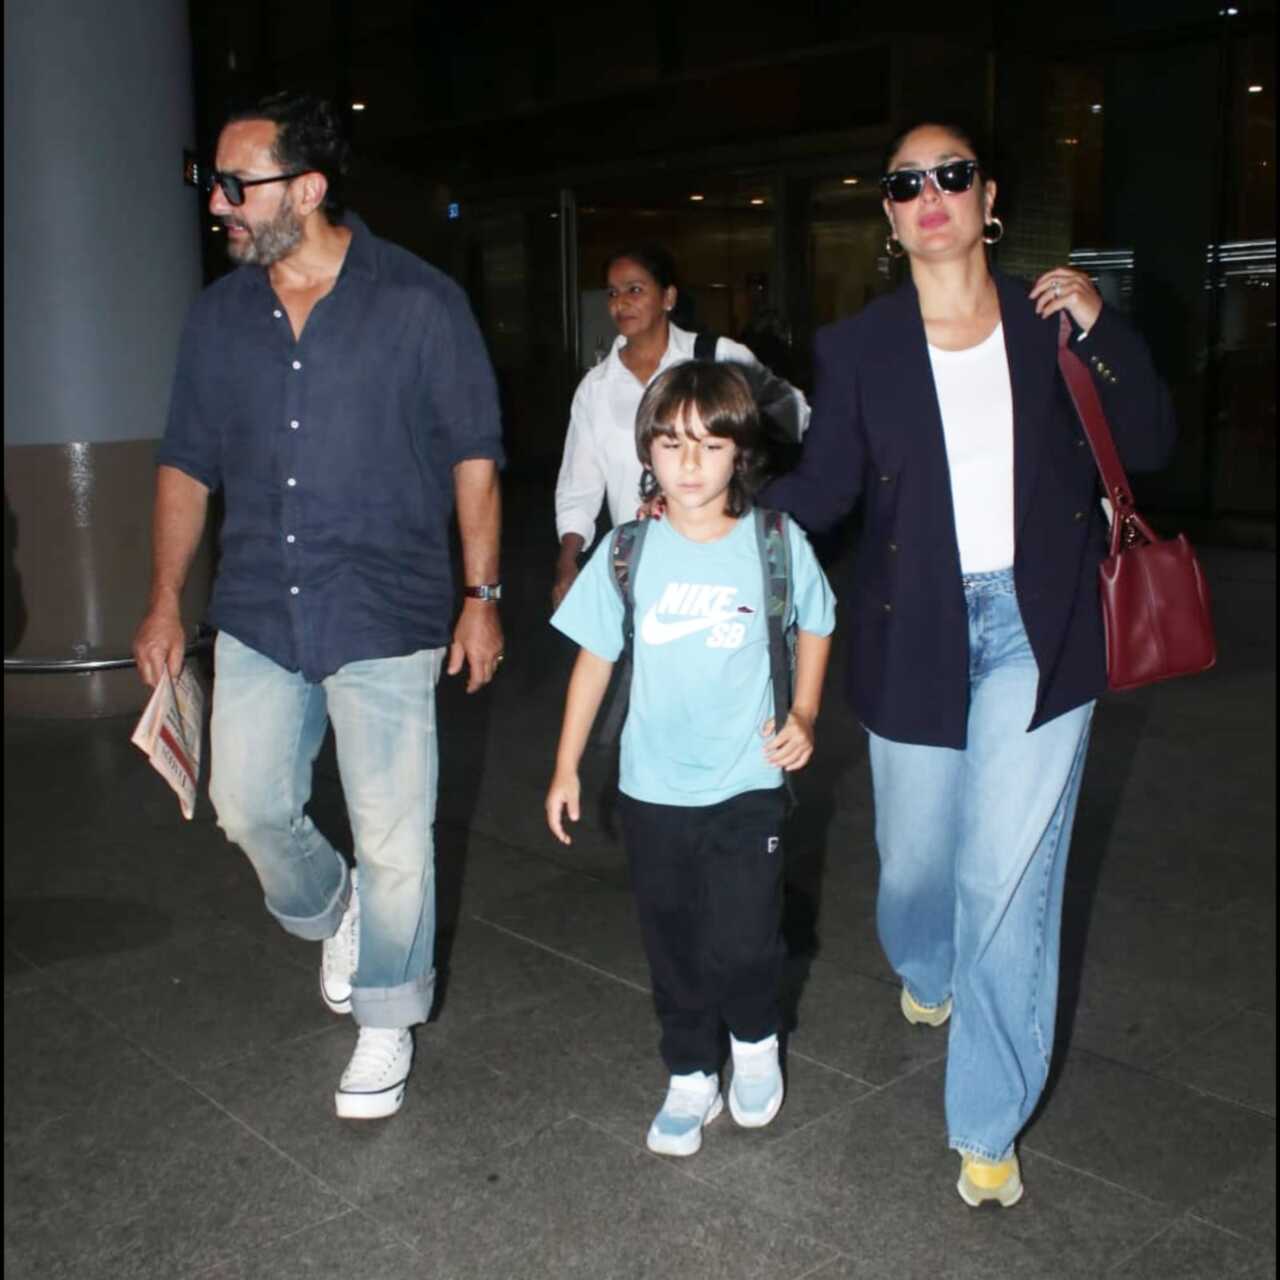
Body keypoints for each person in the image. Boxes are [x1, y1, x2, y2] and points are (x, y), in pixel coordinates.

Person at [762, 121, 1175, 1207]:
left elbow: (1151, 442)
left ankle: (985, 1120)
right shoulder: (859, 347)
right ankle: (925, 967)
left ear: (986, 198)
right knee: (913, 869)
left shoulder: (1051, 329)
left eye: (951, 175)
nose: (929, 193)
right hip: (914, 633)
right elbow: (822, 491)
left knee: (1006, 876)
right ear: (891, 218)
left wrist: (1102, 329)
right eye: (906, 183)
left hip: (1038, 634)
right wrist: (714, 510)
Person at [132, 92, 505, 1121]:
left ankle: (387, 1015)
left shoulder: (419, 303)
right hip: (257, 601)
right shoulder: (217, 319)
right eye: (210, 183)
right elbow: (184, 468)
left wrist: (481, 594)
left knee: (398, 830)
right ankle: (331, 903)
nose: (217, 204)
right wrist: (165, 600)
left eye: (235, 184)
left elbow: (475, 457)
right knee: (244, 804)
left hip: (386, 605)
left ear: (307, 188)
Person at [546, 361, 835, 1157]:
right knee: (671, 939)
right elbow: (594, 661)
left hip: (748, 782)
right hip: (652, 790)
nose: (690, 461)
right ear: (647, 451)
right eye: (672, 443)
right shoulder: (627, 552)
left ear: (740, 453)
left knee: (744, 939)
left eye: (711, 444)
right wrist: (568, 765)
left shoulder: (775, 544)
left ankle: (752, 1037)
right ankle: (688, 1073)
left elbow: (816, 622)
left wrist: (804, 712)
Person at [552, 244, 810, 609]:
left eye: (635, 289)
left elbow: (793, 414)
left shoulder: (717, 357)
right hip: (643, 567)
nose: (620, 302)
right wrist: (567, 562)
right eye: (613, 292)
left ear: (668, 297)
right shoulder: (596, 387)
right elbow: (580, 487)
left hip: (727, 561)